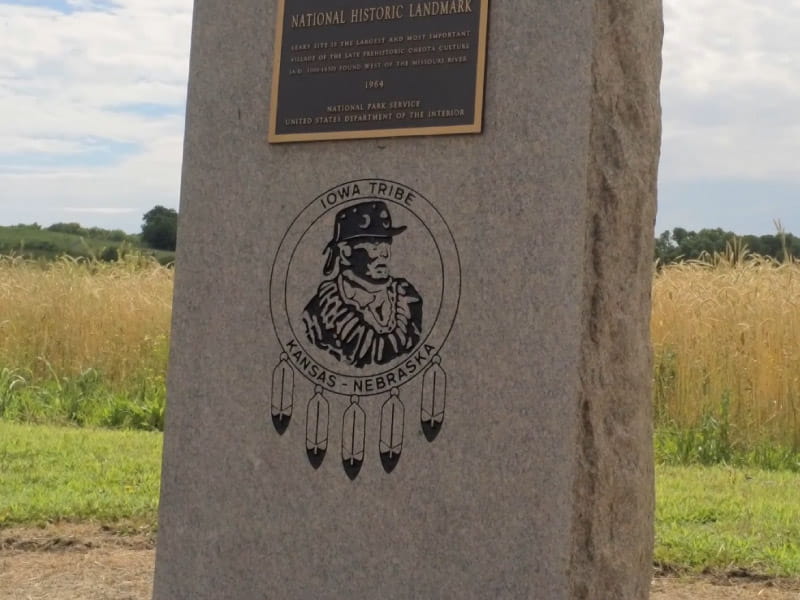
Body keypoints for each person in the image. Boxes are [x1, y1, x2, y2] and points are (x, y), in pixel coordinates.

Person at [302, 201, 422, 368]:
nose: (385, 254)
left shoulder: (409, 300)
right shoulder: (318, 314)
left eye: (387, 244)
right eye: (374, 245)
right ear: (345, 253)